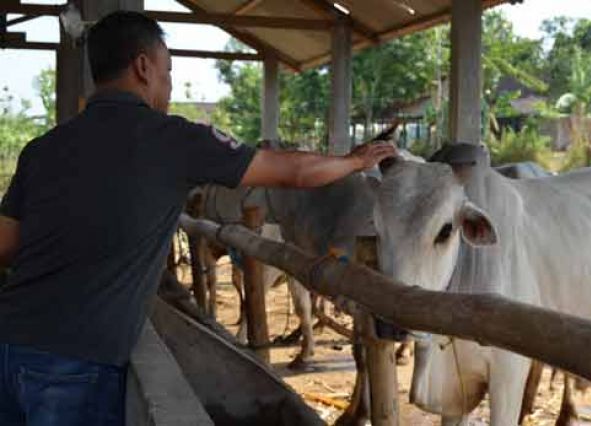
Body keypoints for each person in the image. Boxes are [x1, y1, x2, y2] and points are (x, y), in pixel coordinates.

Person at [0, 11, 396, 426]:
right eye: (168, 71)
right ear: (143, 68)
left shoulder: (42, 148)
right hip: (74, 366)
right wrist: (353, 161)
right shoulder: (174, 139)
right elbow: (292, 172)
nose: (169, 85)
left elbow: (6, 244)